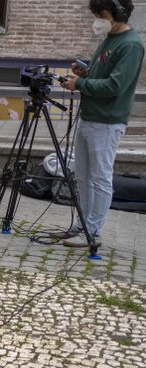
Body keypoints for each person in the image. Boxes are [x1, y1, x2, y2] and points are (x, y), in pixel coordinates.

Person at [60, 0, 144, 248]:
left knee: (99, 178)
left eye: (102, 14)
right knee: (83, 176)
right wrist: (86, 73)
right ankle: (81, 224)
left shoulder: (131, 45)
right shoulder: (108, 39)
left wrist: (80, 84)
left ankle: (93, 231)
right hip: (89, 117)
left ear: (118, 13)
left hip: (106, 122)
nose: (97, 19)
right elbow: (104, 75)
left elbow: (115, 86)